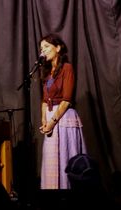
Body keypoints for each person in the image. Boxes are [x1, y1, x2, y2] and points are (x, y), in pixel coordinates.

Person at [38, 34, 86, 189]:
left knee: (65, 158)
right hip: (51, 119)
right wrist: (44, 120)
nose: (43, 51)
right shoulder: (47, 73)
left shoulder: (67, 68)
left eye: (46, 47)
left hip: (64, 118)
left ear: (58, 48)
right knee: (51, 164)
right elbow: (45, 101)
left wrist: (52, 122)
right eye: (41, 48)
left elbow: (66, 100)